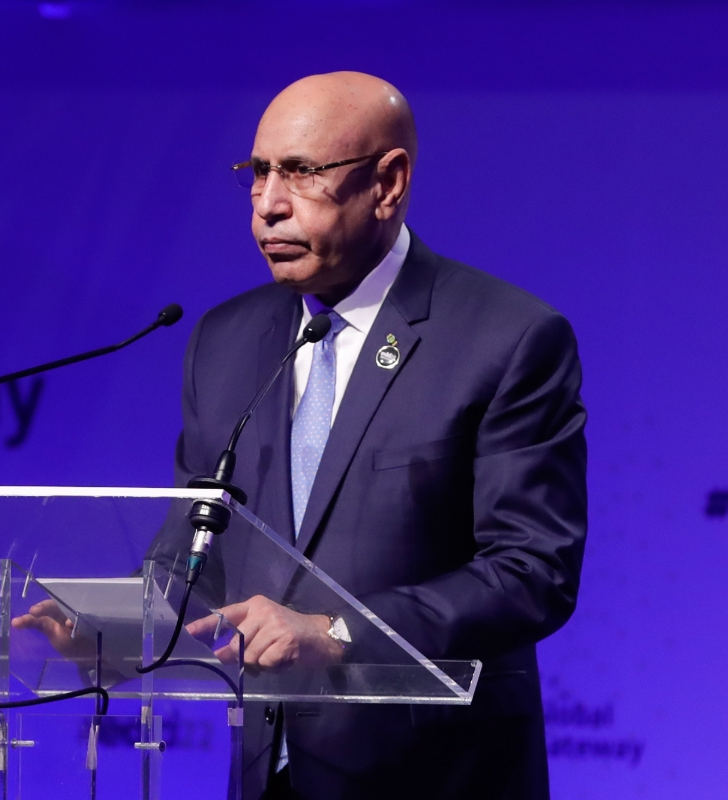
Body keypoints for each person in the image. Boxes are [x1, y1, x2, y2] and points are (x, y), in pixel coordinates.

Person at [143, 71, 587, 799]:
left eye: (302, 173)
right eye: (257, 173)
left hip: (437, 777)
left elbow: (533, 570)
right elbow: (194, 551)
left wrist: (337, 629)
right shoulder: (225, 341)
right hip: (267, 777)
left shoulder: (506, 339)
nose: (268, 206)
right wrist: (107, 628)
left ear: (388, 183)